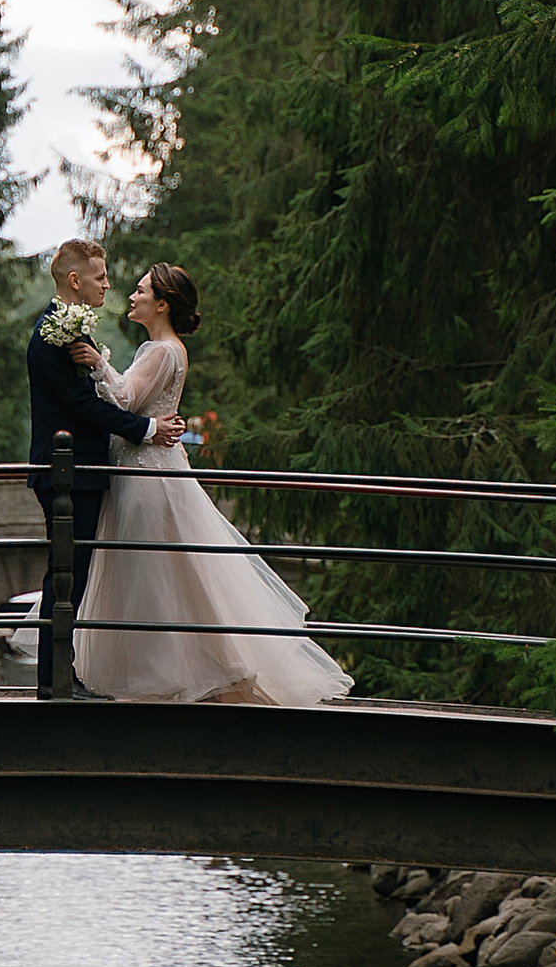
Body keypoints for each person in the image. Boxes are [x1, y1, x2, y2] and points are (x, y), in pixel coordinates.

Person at [75, 263, 353, 705]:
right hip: (149, 467)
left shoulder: (161, 350)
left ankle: (170, 676)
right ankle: (195, 669)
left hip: (146, 474)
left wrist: (98, 363)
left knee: (153, 573)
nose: (132, 295)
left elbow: (127, 399)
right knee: (174, 573)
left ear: (161, 304)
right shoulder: (167, 349)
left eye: (141, 290)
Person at [23, 236, 178, 696]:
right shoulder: (56, 332)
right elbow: (82, 406)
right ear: (75, 280)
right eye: (99, 277)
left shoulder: (69, 328)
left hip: (82, 473)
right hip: (67, 473)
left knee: (74, 573)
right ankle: (54, 683)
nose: (108, 285)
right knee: (67, 573)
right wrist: (146, 430)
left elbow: (91, 397)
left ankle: (61, 676)